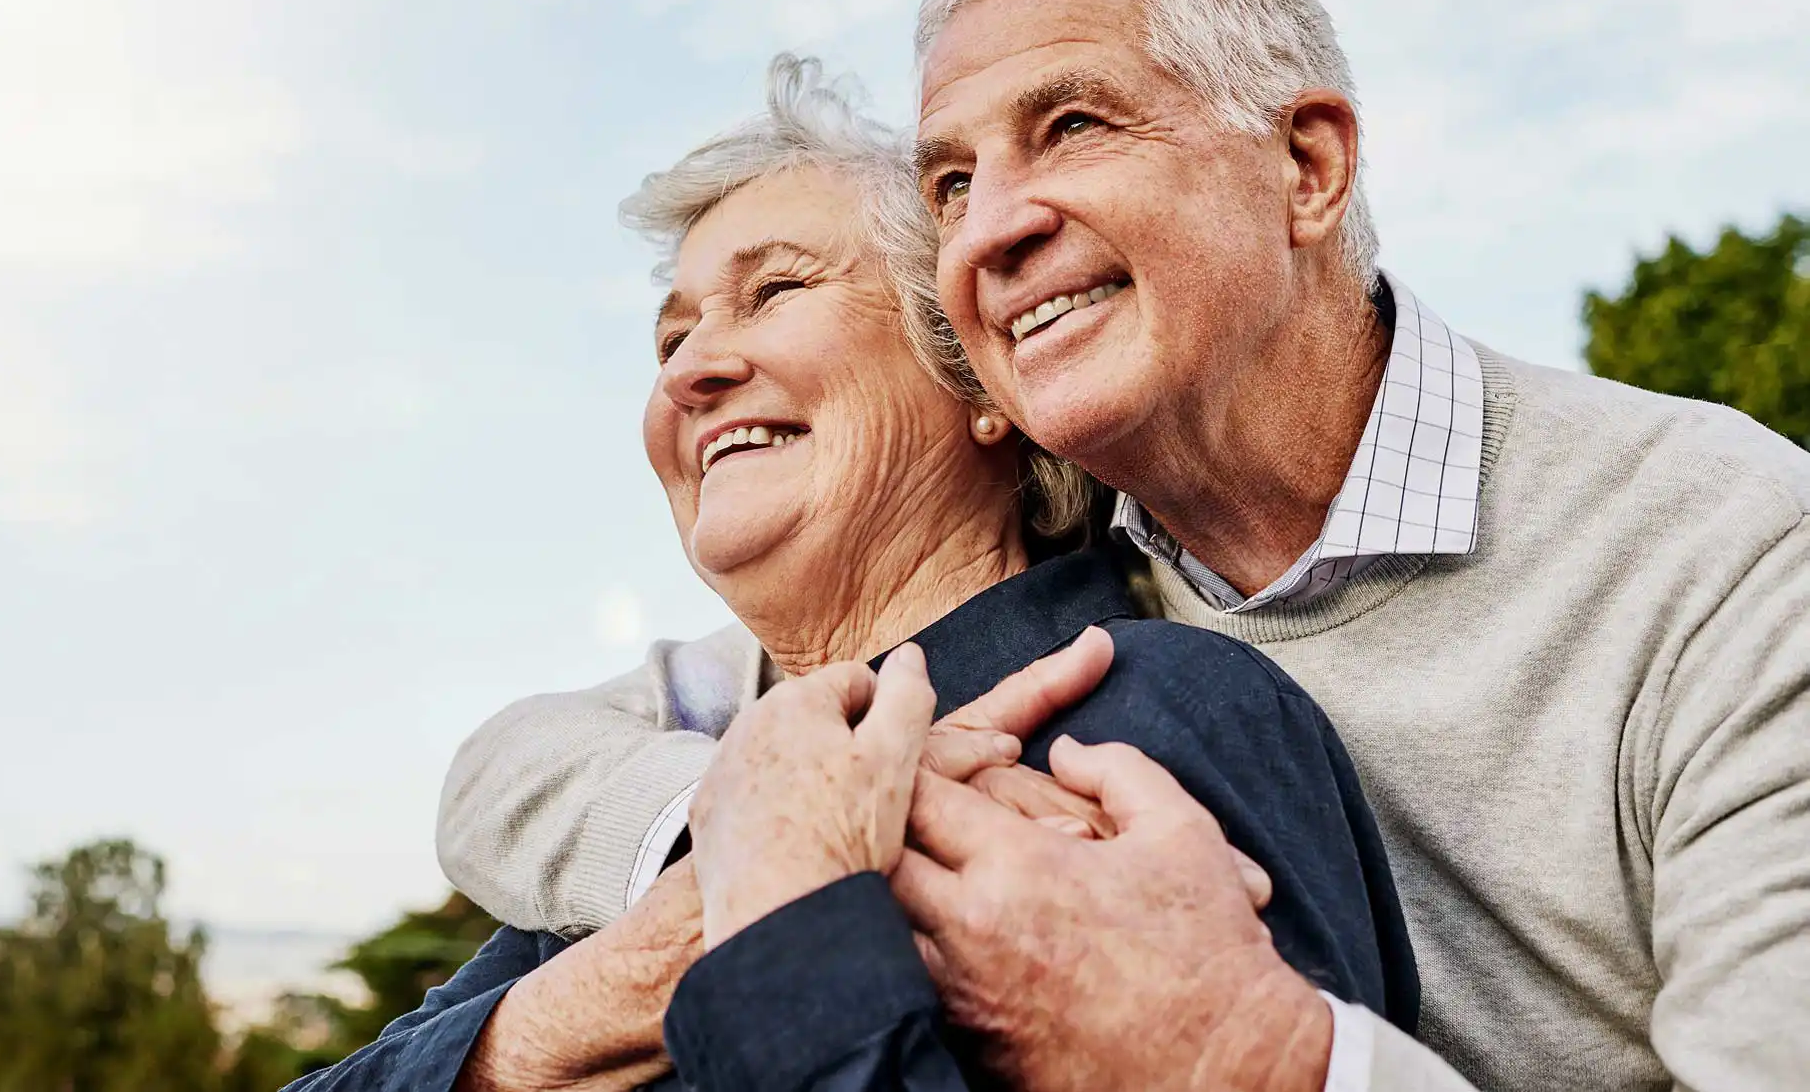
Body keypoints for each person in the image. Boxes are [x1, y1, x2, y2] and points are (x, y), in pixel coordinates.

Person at [439, 0, 1810, 1091]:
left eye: (1072, 124)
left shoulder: (1732, 556)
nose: (990, 226)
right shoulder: (1046, 579)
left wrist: (1267, 1059)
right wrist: (750, 829)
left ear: (1307, 165)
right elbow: (527, 759)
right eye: (953, 178)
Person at [288, 57, 1416, 1091]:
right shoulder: (666, 828)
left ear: (980, 382)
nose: (690, 371)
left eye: (773, 291)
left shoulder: (1154, 724)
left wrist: (788, 921)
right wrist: (578, 1011)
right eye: (669, 339)